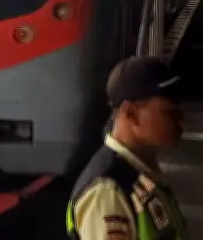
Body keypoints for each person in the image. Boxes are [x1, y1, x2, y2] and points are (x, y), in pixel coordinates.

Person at [67, 57, 187, 240]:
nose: (180, 121)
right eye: (170, 112)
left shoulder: (139, 174)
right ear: (130, 113)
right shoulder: (107, 194)